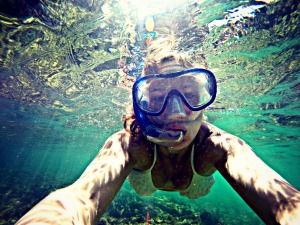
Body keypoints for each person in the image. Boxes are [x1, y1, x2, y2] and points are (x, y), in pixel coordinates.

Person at [16, 38, 300, 225]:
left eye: (190, 94)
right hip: (147, 183)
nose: (176, 111)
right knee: (146, 190)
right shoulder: (130, 145)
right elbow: (81, 196)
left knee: (195, 193)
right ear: (141, 107)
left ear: (204, 102)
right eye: (157, 99)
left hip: (195, 186)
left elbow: (283, 201)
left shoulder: (219, 146)